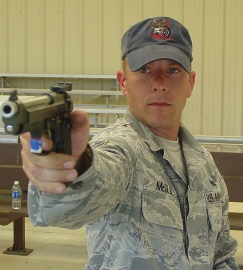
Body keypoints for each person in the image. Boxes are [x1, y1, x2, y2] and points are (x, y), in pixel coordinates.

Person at [20, 17, 239, 269]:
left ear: (190, 83)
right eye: (144, 70)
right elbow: (96, 181)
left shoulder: (204, 165)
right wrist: (73, 166)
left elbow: (221, 255)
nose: (159, 84)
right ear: (123, 82)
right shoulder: (121, 148)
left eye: (173, 70)